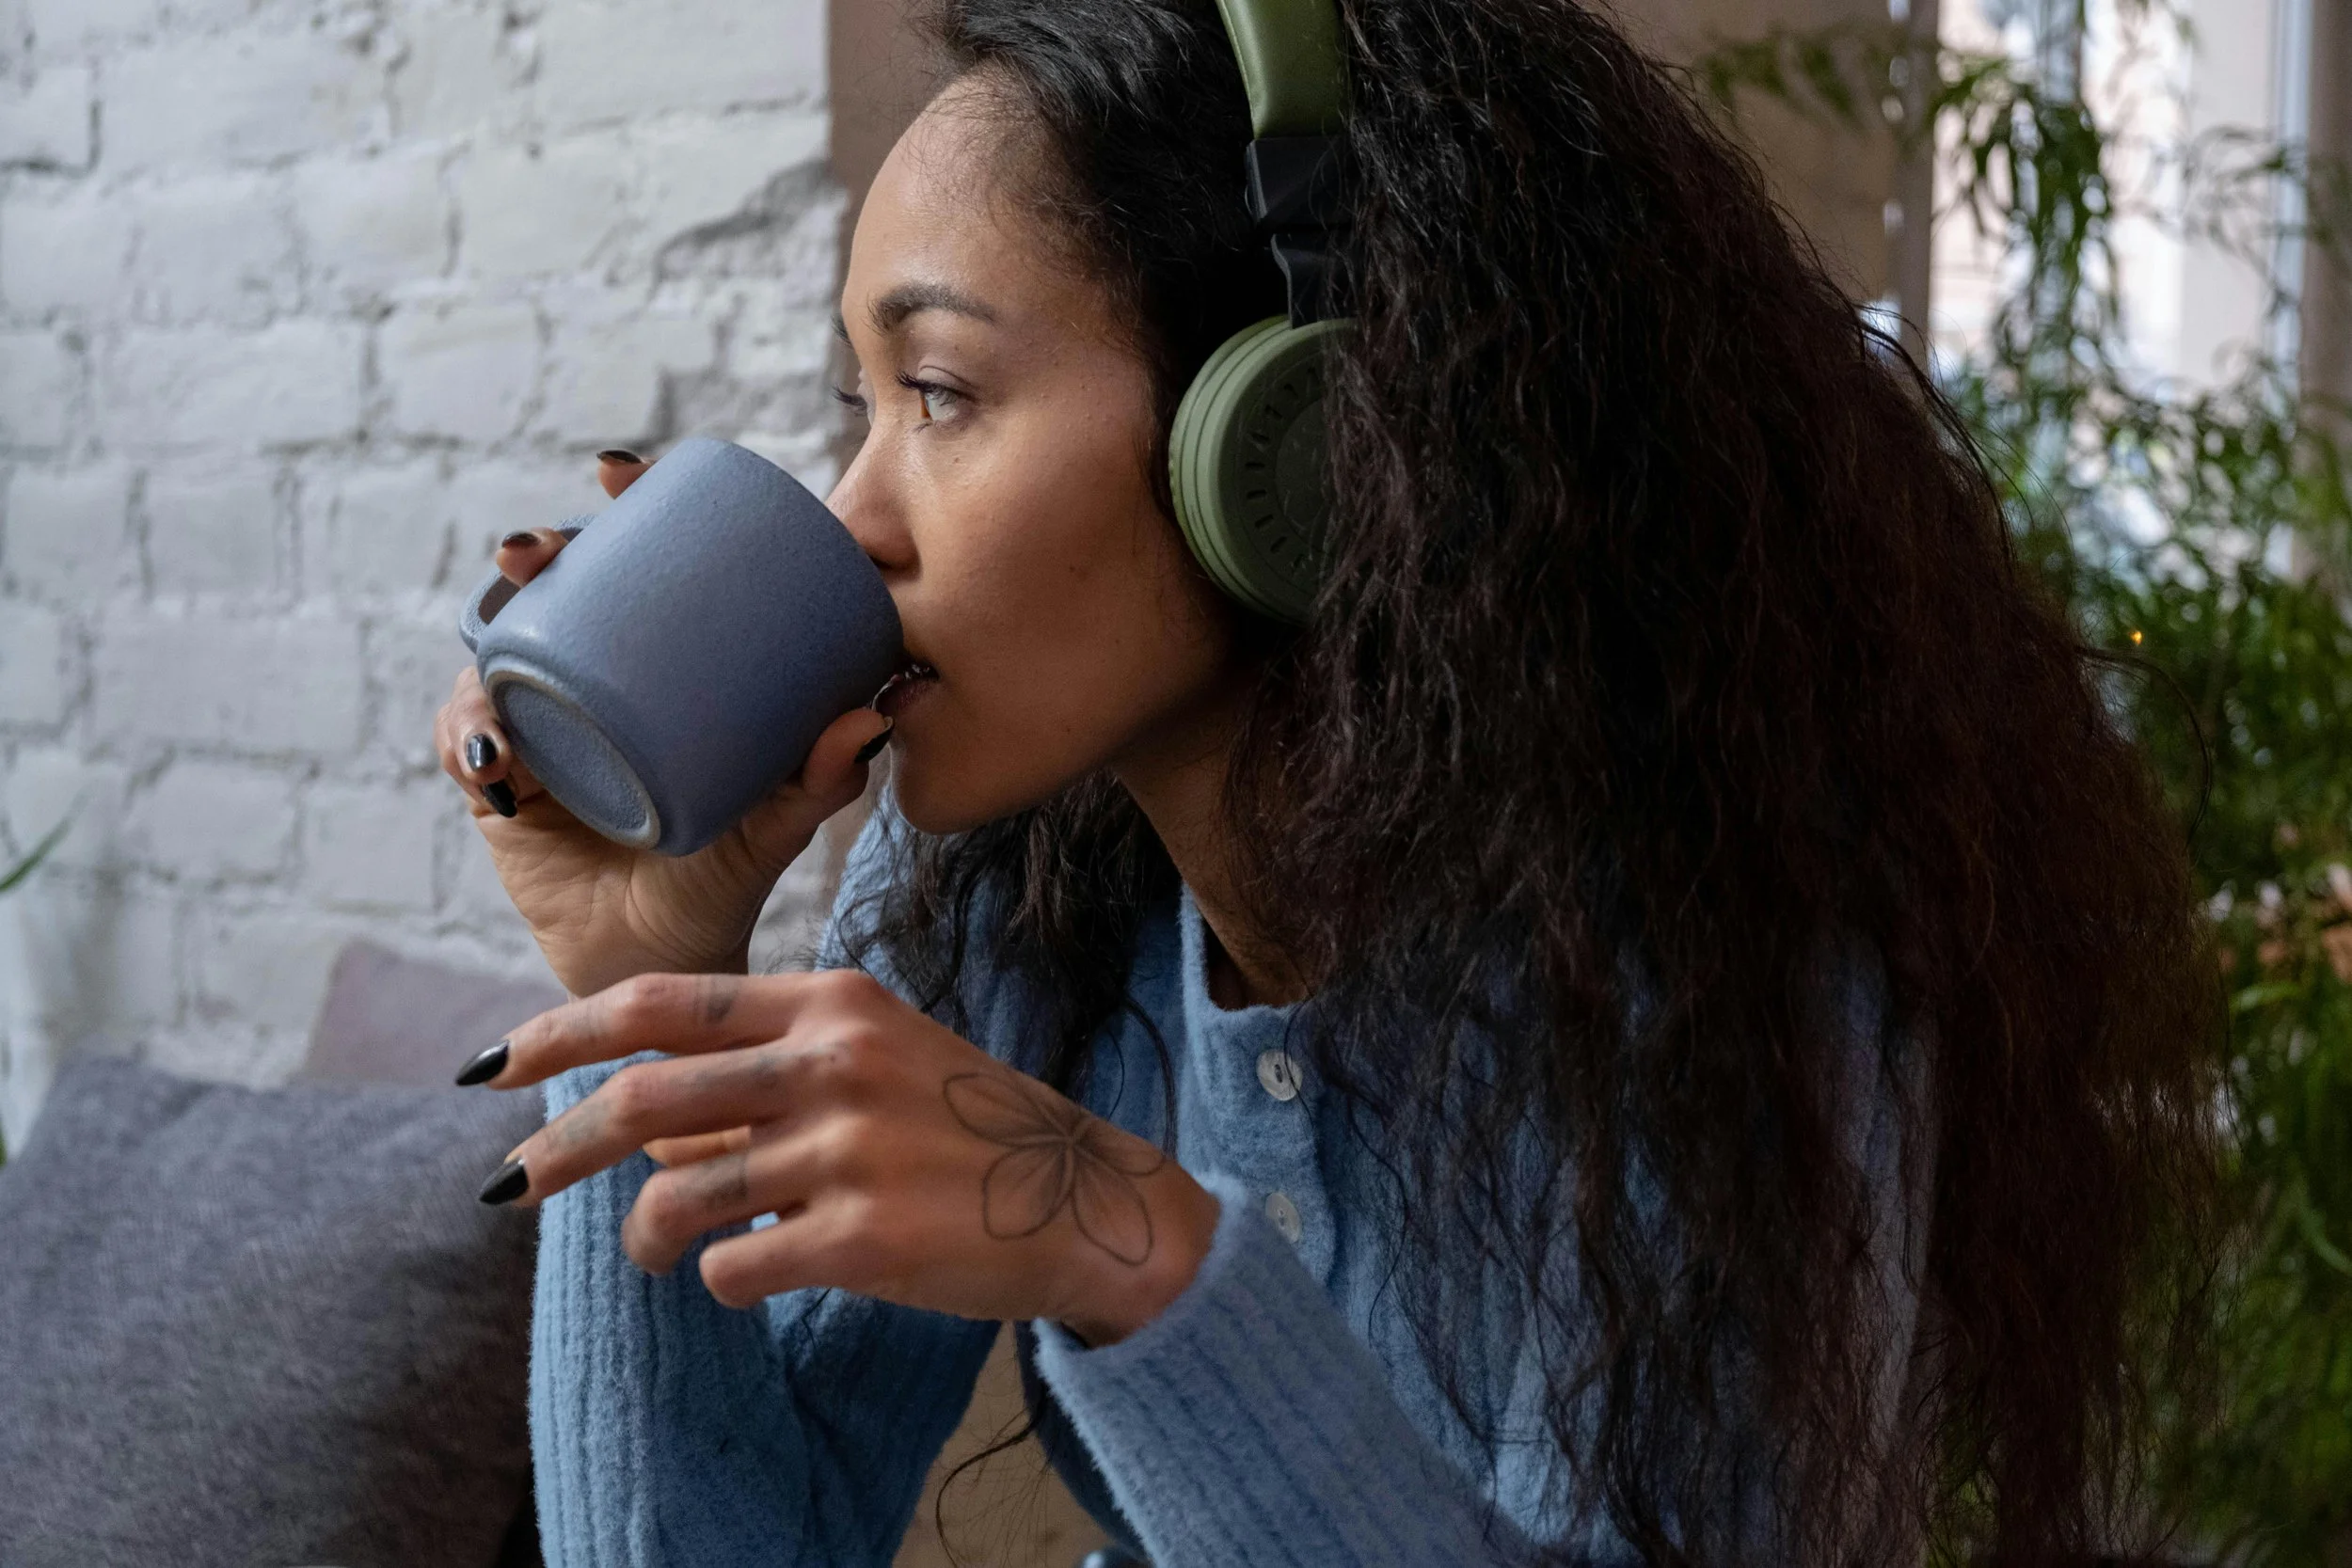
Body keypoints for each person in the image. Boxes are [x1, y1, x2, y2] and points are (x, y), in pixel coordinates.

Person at [432, 0, 2220, 1562]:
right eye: (863, 401)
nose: (856, 520)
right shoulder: (1027, 918)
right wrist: (645, 985)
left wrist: (1133, 1251)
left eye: (947, 391)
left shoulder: (1717, 977)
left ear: (1290, 439)